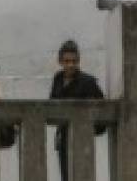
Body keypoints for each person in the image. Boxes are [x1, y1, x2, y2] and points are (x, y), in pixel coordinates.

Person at [49, 39, 104, 181]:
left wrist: (89, 129)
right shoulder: (58, 78)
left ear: (78, 61)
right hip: (63, 136)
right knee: (66, 175)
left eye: (74, 61)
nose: (71, 65)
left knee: (81, 175)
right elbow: (51, 104)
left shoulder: (88, 82)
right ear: (60, 61)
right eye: (67, 61)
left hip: (81, 137)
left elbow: (101, 110)